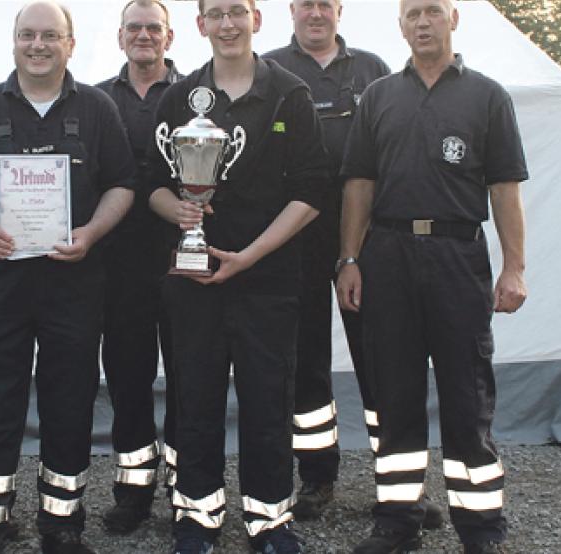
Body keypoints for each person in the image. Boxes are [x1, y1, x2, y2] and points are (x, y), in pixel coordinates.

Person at [0, 2, 134, 552]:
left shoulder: (96, 108)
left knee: (68, 403)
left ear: (70, 44)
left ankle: (62, 525)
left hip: (73, 281)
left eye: (50, 35)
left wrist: (91, 232)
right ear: (14, 42)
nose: (38, 45)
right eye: (28, 35)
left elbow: (122, 184)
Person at [336, 0, 528, 551]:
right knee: (394, 396)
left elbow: (505, 188)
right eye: (412, 14)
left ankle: (481, 527)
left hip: (457, 256)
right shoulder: (378, 97)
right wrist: (349, 259)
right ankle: (398, 521)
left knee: (467, 397)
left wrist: (514, 267)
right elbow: (359, 185)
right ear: (400, 25)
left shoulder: (487, 95)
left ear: (454, 19)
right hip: (388, 256)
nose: (423, 22)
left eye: (433, 12)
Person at [146, 1, 330, 552]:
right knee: (196, 400)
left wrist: (251, 254)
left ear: (257, 20)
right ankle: (196, 518)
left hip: (268, 279)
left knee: (267, 401)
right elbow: (150, 182)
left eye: (238, 12)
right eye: (216, 13)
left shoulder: (289, 94)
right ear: (200, 25)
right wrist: (176, 211)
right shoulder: (179, 97)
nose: (227, 24)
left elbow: (313, 190)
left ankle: (269, 520)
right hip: (194, 281)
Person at [262, 0, 399, 521]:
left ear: (339, 10)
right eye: (306, 4)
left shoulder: (373, 69)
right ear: (291, 11)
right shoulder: (270, 70)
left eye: (325, 3)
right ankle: (317, 477)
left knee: (381, 360)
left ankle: (399, 481)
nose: (315, 13)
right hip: (295, 238)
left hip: (363, 241)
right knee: (306, 362)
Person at [94, 0, 183, 534]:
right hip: (118, 265)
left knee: (188, 378)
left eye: (154, 28)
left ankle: (184, 483)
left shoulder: (200, 93)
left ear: (169, 36)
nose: (144, 36)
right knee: (127, 378)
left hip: (184, 258)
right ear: (120, 37)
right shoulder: (96, 100)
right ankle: (133, 488)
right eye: (135, 28)